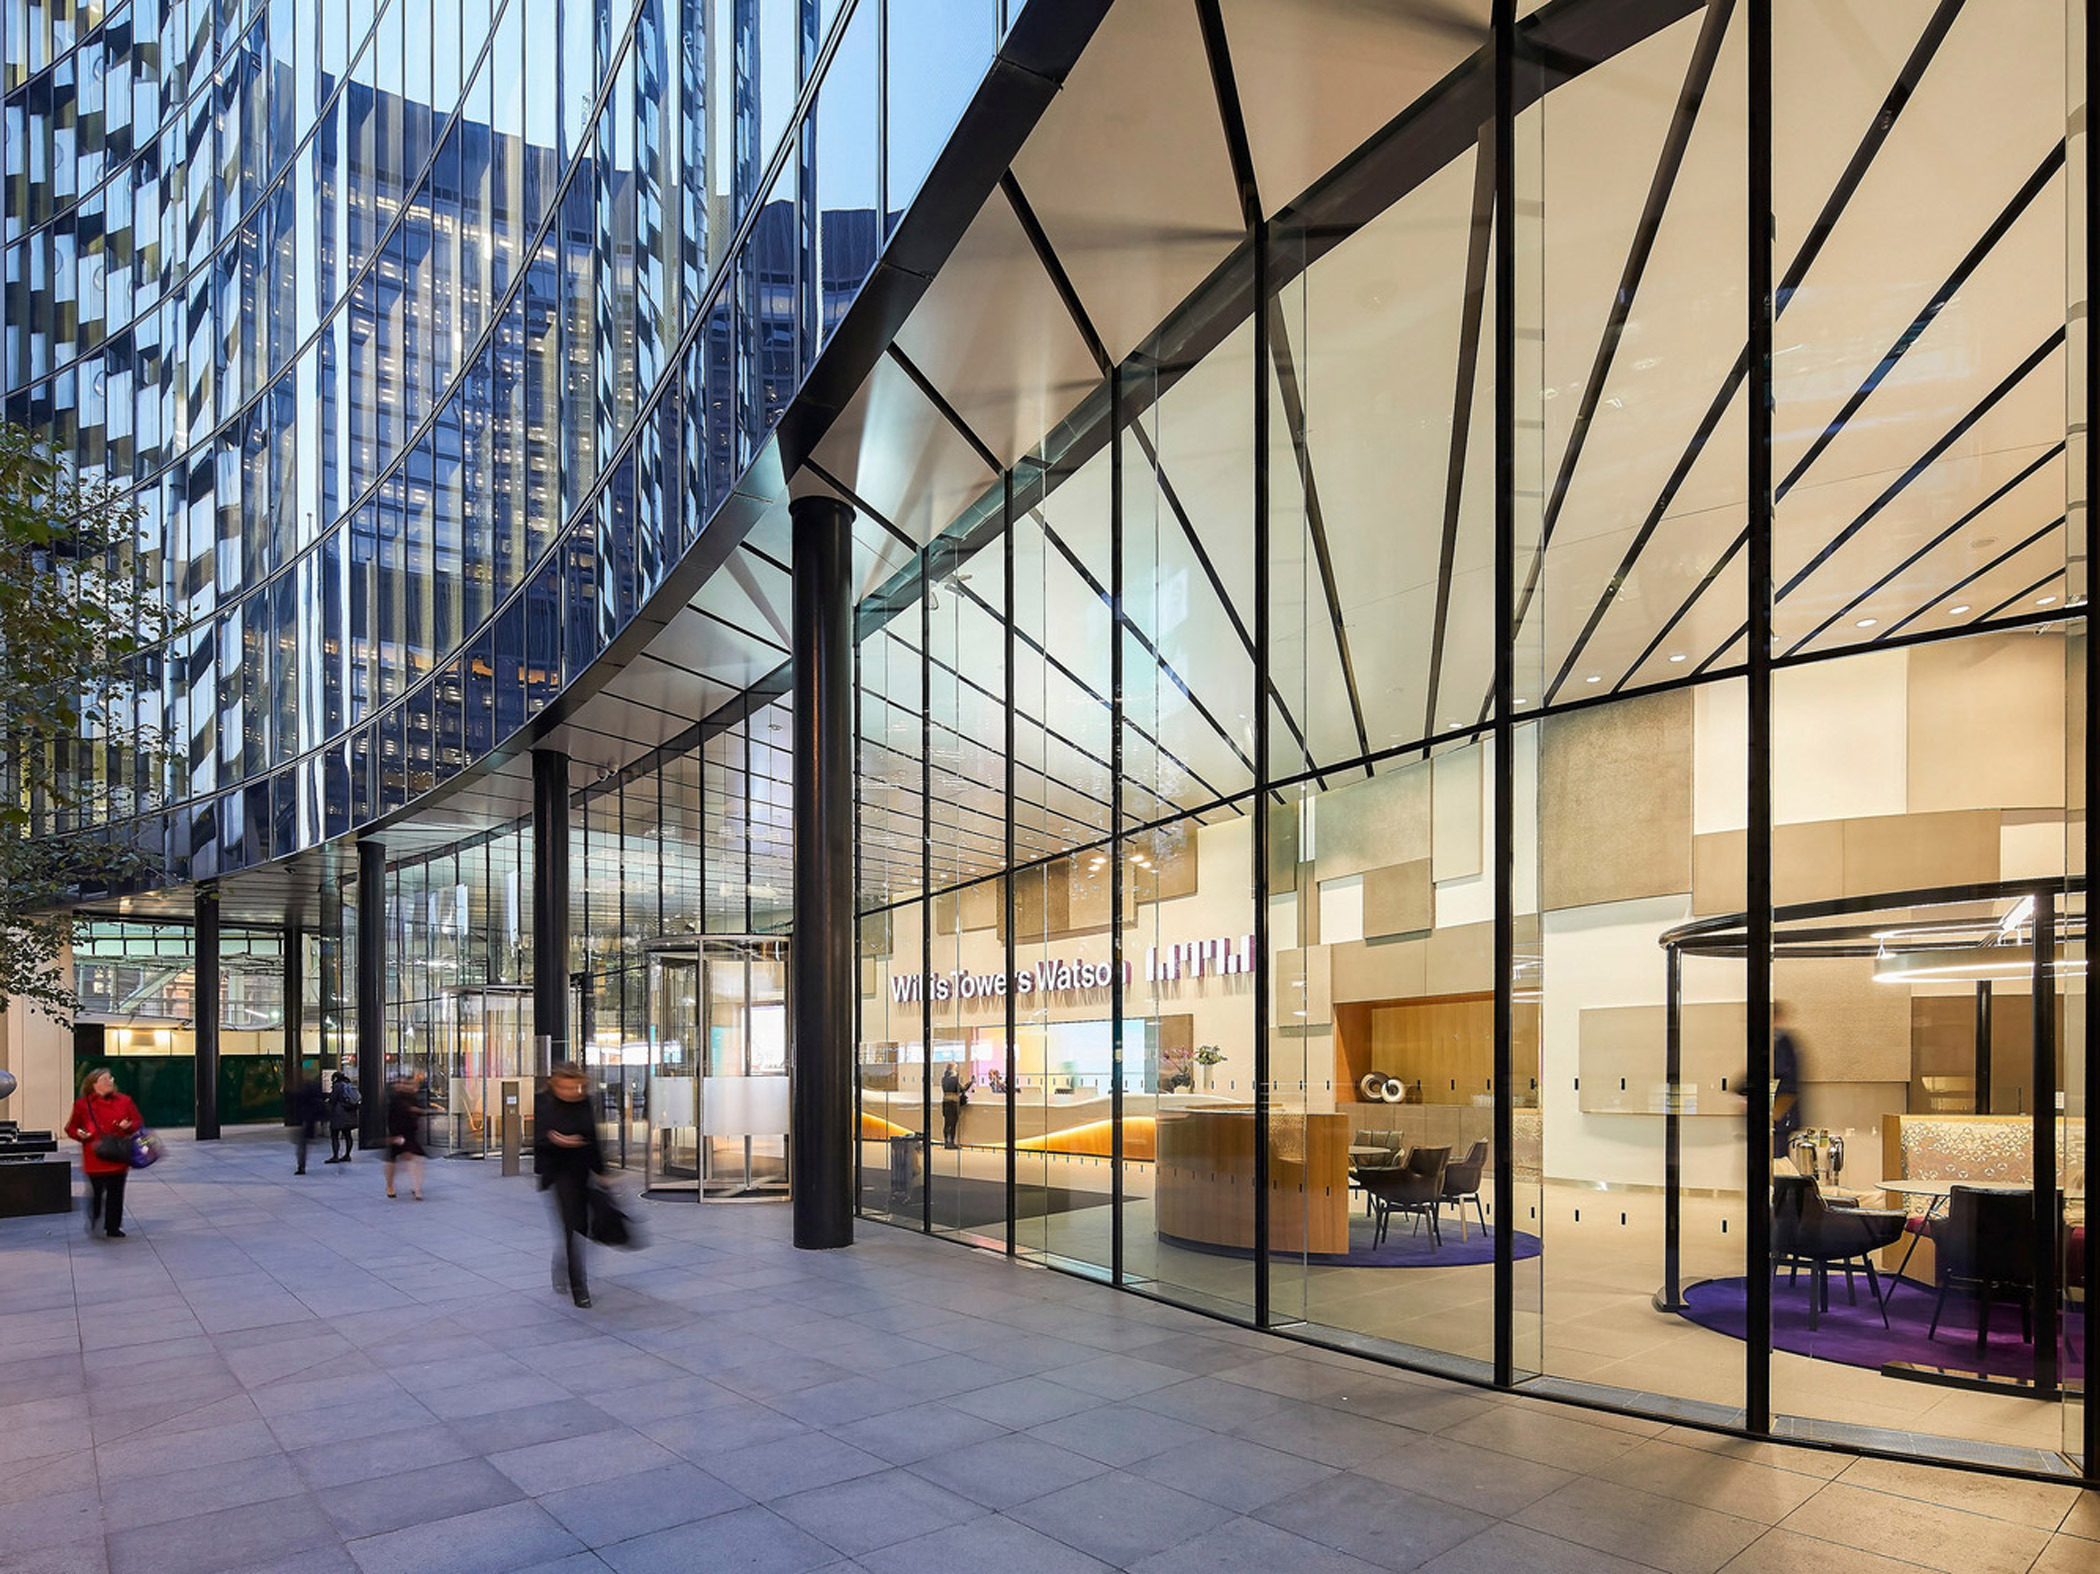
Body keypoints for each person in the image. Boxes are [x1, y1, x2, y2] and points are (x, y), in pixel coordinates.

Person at [535, 1062, 606, 1308]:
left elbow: (593, 1137)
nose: (571, 1092)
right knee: (571, 1227)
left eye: (576, 1087)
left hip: (581, 1170)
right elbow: (538, 1140)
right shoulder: (543, 1102)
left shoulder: (584, 1101)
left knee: (582, 1227)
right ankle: (579, 1288)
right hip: (558, 1172)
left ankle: (561, 1265)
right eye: (565, 1087)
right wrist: (556, 1140)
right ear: (554, 1085)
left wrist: (602, 1171)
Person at [64, 1067, 142, 1239]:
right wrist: (80, 1134)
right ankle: (95, 1217)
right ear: (93, 1084)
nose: (110, 1082)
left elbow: (137, 1121)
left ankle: (113, 1227)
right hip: (95, 1156)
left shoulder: (124, 1101)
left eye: (111, 1078)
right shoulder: (82, 1105)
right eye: (105, 1079)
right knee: (97, 1192)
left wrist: (128, 1126)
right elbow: (71, 1128)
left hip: (117, 1155)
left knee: (116, 1193)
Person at [1771, 1001, 1804, 1161]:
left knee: (1778, 1159)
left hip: (1782, 1114)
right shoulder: (1779, 1042)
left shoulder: (1784, 1043)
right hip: (1780, 1115)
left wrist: (1776, 1112)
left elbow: (1787, 1079)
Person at [384, 1077, 425, 1199]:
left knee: (415, 1158)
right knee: (393, 1160)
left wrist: (417, 1111)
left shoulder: (413, 1097)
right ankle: (390, 1186)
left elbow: (418, 1112)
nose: (411, 1087)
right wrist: (394, 1135)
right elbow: (391, 1118)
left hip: (410, 1132)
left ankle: (416, 1187)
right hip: (398, 1133)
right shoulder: (394, 1099)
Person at [292, 1070, 326, 1175]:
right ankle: (301, 1165)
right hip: (310, 1119)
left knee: (302, 1145)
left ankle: (301, 1166)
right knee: (303, 1144)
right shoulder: (315, 1090)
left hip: (305, 1119)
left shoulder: (303, 1090)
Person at [326, 1070, 360, 1162]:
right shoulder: (349, 1085)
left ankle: (335, 1156)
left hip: (338, 1114)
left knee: (335, 1135)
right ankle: (347, 1155)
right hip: (349, 1113)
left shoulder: (337, 1086)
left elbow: (333, 1100)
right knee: (348, 1135)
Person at [939, 1065, 972, 1149]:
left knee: (947, 1123)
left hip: (946, 1103)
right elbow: (961, 1089)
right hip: (953, 1104)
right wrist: (970, 1083)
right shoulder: (954, 1079)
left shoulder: (944, 1079)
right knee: (953, 1123)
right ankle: (951, 1142)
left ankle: (946, 1142)